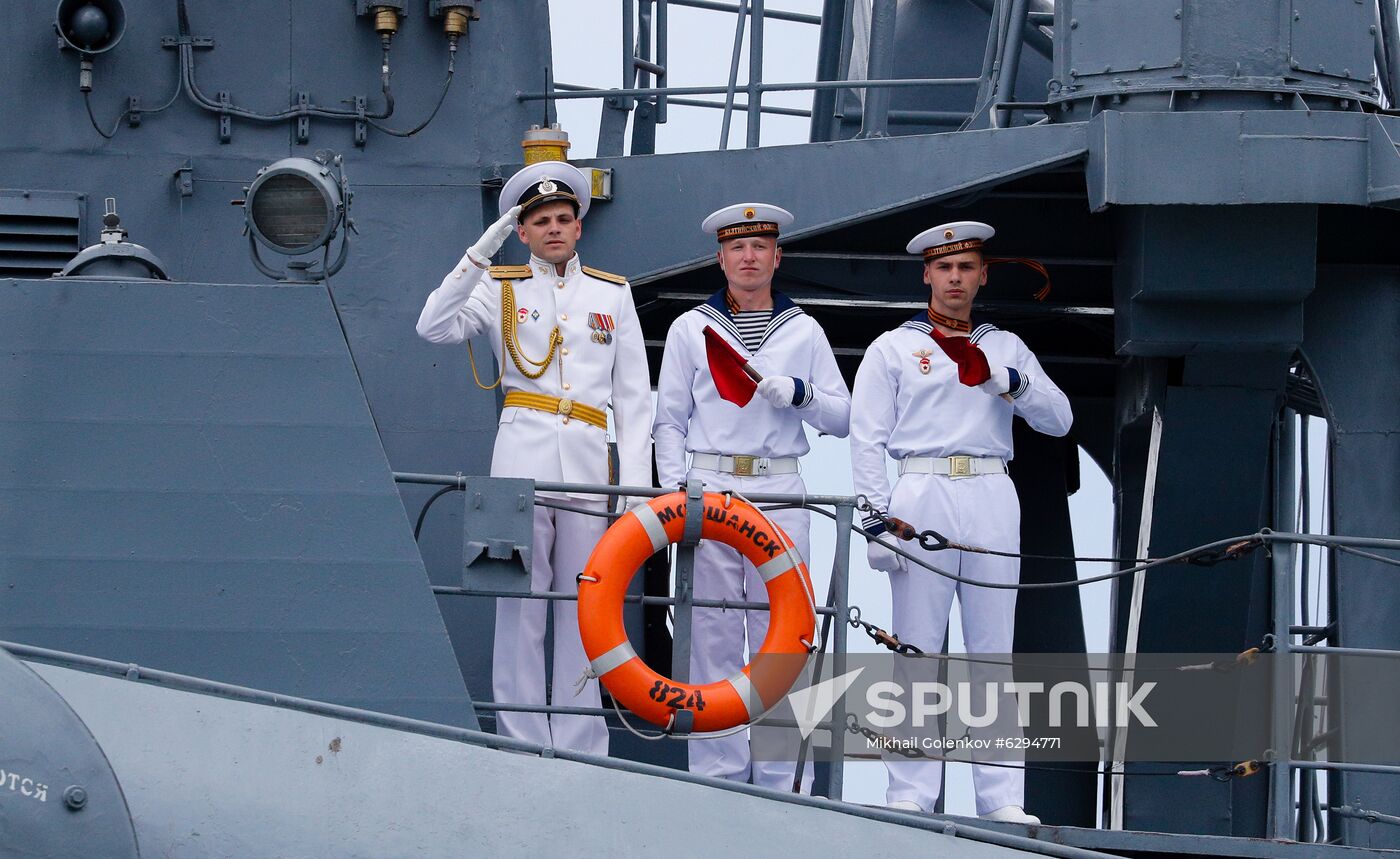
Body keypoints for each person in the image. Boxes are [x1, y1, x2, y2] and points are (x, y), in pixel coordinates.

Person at [416, 161, 652, 754]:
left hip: (589, 469)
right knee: (518, 607)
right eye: (539, 220)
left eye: (563, 219)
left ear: (578, 227)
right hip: (518, 463)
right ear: (521, 231)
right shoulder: (498, 289)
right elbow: (432, 325)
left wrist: (636, 489)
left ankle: (578, 740)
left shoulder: (612, 293)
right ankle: (521, 735)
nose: (553, 228)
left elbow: (632, 400)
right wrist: (480, 252)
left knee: (585, 607)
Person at [849, 221, 1072, 823]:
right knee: (916, 647)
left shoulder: (1007, 346)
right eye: (943, 268)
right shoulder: (892, 347)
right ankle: (911, 790)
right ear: (926, 274)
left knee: (993, 650)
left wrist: (1012, 383)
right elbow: (866, 439)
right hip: (920, 489)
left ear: (982, 275)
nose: (954, 278)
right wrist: (874, 519)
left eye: (965, 267)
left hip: (992, 489)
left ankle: (1001, 798)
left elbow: (1059, 419)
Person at [652, 203, 851, 790]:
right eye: (737, 248)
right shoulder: (693, 328)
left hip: (780, 486)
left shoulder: (805, 330)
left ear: (776, 256)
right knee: (712, 633)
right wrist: (673, 493)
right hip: (711, 486)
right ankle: (716, 776)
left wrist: (798, 394)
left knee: (783, 636)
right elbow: (670, 421)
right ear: (721, 257)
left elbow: (842, 418)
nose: (748, 257)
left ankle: (776, 780)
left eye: (759, 247)